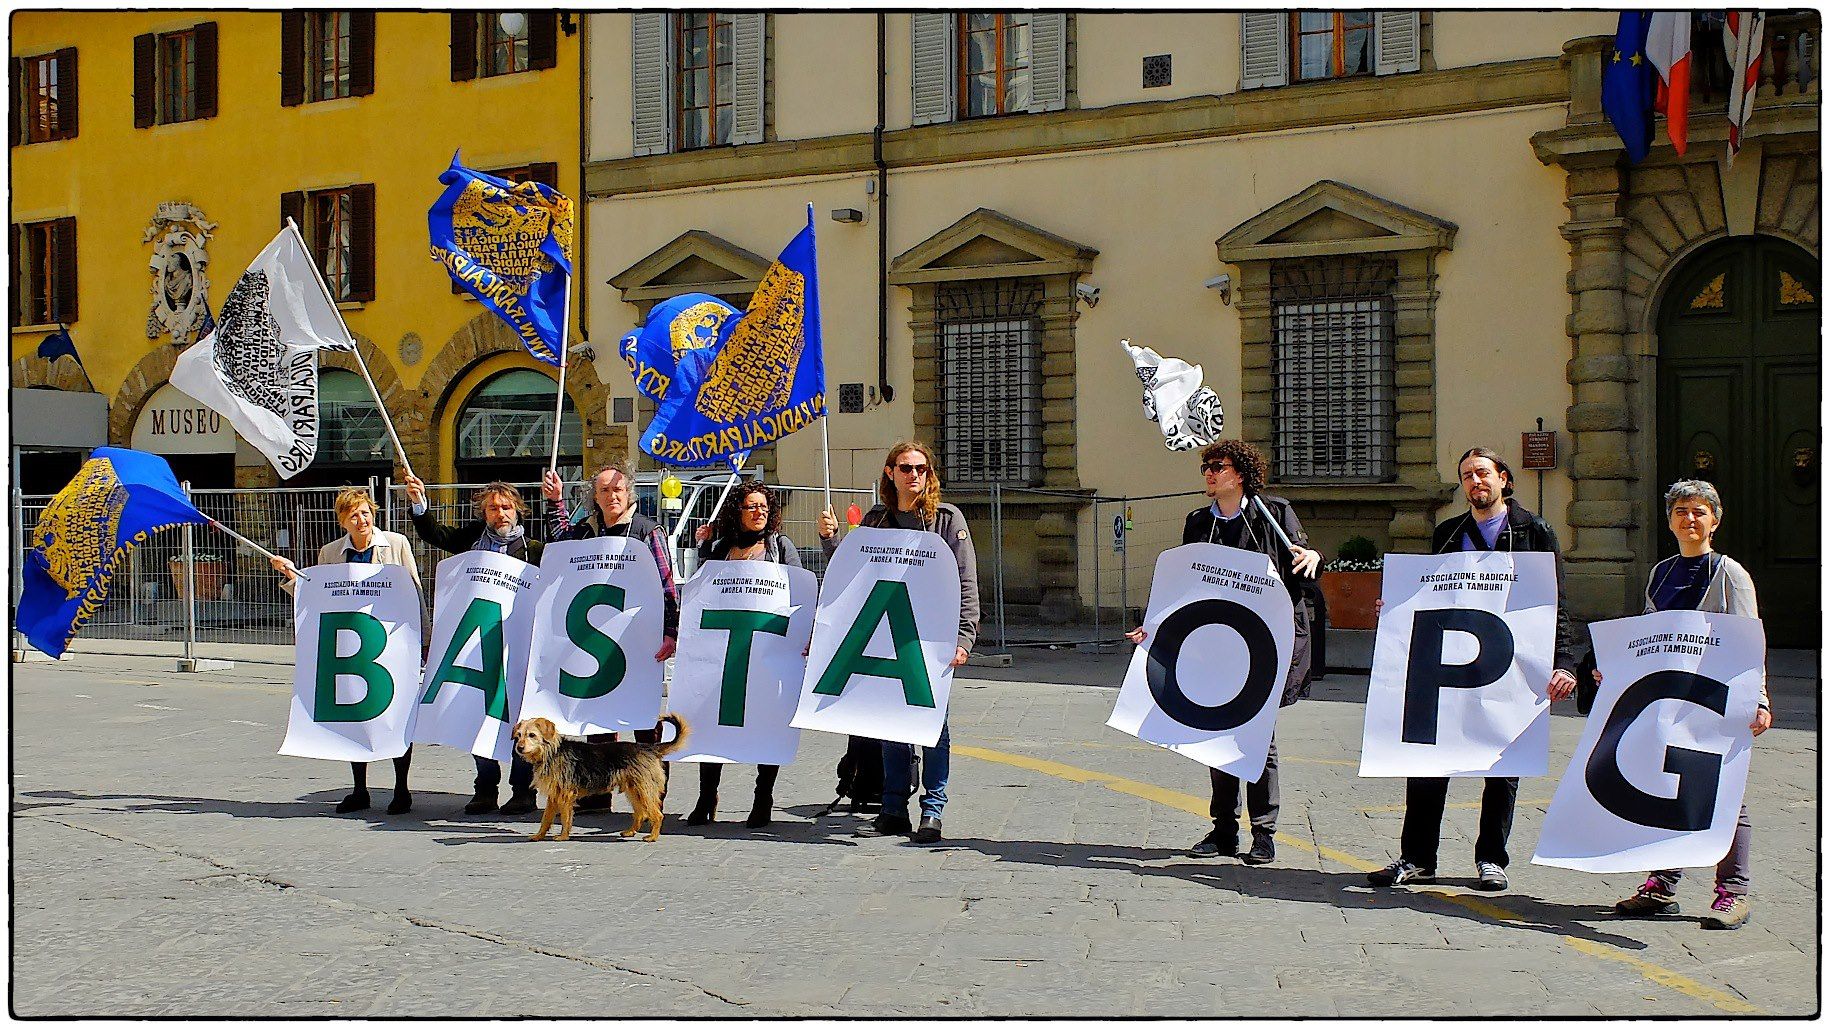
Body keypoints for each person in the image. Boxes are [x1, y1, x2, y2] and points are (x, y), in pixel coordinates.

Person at [1367, 446, 1580, 893]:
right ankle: (1418, 859)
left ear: (1504, 479)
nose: (1475, 482)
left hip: (1511, 666)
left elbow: (1555, 603)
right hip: (1450, 662)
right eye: (1467, 475)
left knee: (1503, 766)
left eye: (1483, 473)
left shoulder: (1534, 531)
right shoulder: (1448, 533)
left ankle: (1491, 859)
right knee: (1428, 759)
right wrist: (1397, 606)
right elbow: (1431, 592)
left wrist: (1565, 663)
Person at [1577, 479, 1769, 930]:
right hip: (1669, 698)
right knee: (1665, 786)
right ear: (1670, 521)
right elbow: (1648, 636)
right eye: (1681, 511)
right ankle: (1662, 884)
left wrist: (1759, 699)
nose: (1690, 519)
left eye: (1699, 511)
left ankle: (1733, 892)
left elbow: (1749, 641)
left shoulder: (1729, 574)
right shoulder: (1660, 573)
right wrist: (1617, 670)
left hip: (1715, 699)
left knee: (1724, 792)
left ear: (1715, 521)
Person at [1124, 439, 1322, 866]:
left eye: (1218, 466)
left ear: (1242, 474)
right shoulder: (1199, 523)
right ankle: (1224, 830)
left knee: (1259, 736)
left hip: (1264, 645)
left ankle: (1263, 832)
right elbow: (1184, 585)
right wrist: (1154, 625)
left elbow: (1303, 566)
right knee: (1216, 731)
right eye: (1206, 467)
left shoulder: (1274, 513)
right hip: (1215, 644)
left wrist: (1312, 556)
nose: (1210, 474)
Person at [818, 441, 979, 845]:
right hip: (885, 634)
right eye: (906, 468)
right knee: (891, 722)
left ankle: (932, 810)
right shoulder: (876, 519)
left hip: (930, 637)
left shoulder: (946, 520)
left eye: (922, 469)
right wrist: (831, 540)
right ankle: (893, 809)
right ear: (890, 473)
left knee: (932, 726)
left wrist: (965, 636)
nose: (915, 476)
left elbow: (966, 582)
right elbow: (851, 572)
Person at [273, 486, 422, 816]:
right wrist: (291, 576)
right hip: (350, 645)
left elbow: (414, 591)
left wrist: (423, 636)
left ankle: (401, 788)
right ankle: (359, 790)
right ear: (342, 521)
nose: (362, 519)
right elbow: (317, 594)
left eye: (366, 512)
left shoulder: (396, 544)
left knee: (397, 714)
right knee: (354, 714)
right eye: (353, 515)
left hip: (392, 642)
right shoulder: (330, 553)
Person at [403, 474, 544, 817]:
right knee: (478, 714)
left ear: (518, 510)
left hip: (519, 648)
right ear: (484, 513)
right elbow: (435, 534)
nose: (500, 513)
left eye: (506, 507)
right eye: (493, 508)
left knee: (521, 720)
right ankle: (485, 788)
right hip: (478, 646)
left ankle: (523, 791)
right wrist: (419, 504)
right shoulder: (471, 540)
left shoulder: (536, 550)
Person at [542, 463, 680, 809]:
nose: (612, 495)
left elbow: (666, 583)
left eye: (617, 489)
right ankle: (599, 790)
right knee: (599, 713)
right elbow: (559, 544)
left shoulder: (647, 530)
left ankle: (652, 792)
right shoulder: (587, 531)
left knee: (644, 719)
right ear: (595, 496)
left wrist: (671, 630)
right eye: (604, 490)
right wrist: (556, 501)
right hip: (596, 638)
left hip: (639, 637)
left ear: (629, 492)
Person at [687, 481, 802, 828]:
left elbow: (800, 592)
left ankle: (763, 796)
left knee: (767, 720)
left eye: (764, 507)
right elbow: (701, 592)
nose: (759, 512)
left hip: (767, 650)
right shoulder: (721, 548)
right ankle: (707, 796)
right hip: (725, 652)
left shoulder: (780, 547)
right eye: (751, 506)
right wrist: (703, 547)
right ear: (737, 511)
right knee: (714, 721)